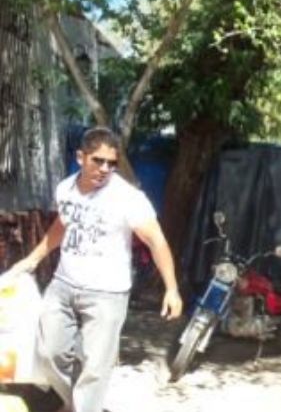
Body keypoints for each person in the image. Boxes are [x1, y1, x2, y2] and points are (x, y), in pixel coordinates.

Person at [5, 127, 182, 412]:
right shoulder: (65, 188)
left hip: (107, 294)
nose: (104, 169)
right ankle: (76, 403)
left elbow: (156, 241)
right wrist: (33, 259)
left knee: (95, 368)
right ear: (80, 157)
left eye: (111, 163)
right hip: (63, 284)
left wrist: (171, 288)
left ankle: (84, 407)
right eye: (98, 160)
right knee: (47, 353)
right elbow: (62, 225)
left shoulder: (127, 198)